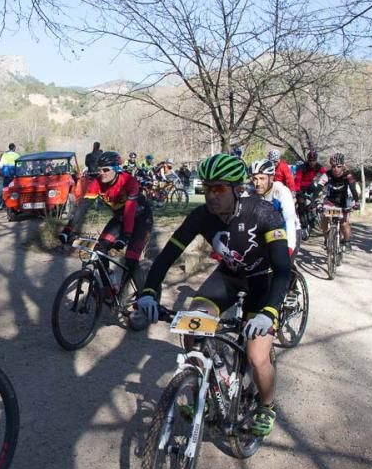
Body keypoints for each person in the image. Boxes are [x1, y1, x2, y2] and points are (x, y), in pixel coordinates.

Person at [136, 153, 290, 437]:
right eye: (205, 188)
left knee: (257, 356)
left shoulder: (263, 213)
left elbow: (283, 269)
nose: (210, 195)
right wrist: (148, 291)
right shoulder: (201, 216)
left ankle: (267, 406)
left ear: (237, 189)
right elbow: (166, 256)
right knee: (192, 326)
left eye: (218, 188)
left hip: (262, 281)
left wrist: (270, 312)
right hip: (228, 277)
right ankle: (205, 391)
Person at [58, 151, 153, 292]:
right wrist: (68, 230)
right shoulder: (96, 183)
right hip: (120, 219)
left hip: (141, 219)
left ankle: (144, 297)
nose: (101, 173)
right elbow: (83, 207)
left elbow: (129, 211)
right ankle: (109, 289)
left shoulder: (128, 181)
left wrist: (125, 236)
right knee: (99, 251)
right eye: (99, 169)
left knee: (131, 259)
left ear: (116, 169)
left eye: (106, 169)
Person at [251, 159, 301, 257]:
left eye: (262, 178)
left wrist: (289, 249)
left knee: (283, 267)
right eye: (254, 179)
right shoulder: (251, 191)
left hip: (288, 230)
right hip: (266, 231)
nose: (258, 183)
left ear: (271, 178)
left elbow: (289, 221)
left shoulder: (281, 191)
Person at [321, 153, 360, 251]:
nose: (336, 169)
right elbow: (318, 187)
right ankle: (326, 238)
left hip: (343, 201)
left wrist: (356, 202)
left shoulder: (348, 175)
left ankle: (346, 241)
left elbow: (353, 189)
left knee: (344, 223)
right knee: (324, 216)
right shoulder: (327, 174)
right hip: (331, 201)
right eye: (333, 166)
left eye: (339, 166)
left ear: (343, 166)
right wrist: (313, 200)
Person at [0, 143, 20, 209]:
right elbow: (19, 166)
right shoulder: (17, 155)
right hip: (13, 175)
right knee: (13, 190)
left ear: (9, 148)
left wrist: (2, 172)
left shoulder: (4, 155)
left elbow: (1, 165)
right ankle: (11, 204)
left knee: (3, 189)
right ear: (14, 148)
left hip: (5, 174)